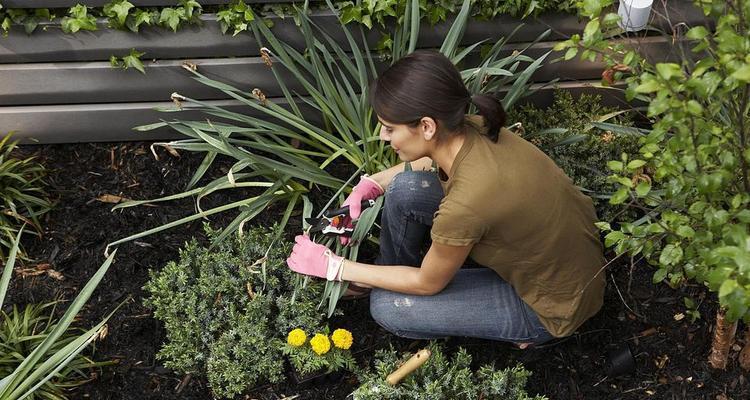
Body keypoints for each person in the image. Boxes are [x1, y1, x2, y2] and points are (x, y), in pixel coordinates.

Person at [286, 50, 605, 347]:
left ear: (426, 126)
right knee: (404, 188)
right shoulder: (473, 127)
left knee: (388, 306)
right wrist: (372, 185)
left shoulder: (466, 205)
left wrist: (336, 267)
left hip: (550, 306)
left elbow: (428, 284)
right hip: (570, 259)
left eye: (389, 128)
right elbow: (432, 159)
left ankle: (533, 334)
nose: (383, 137)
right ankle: (389, 273)